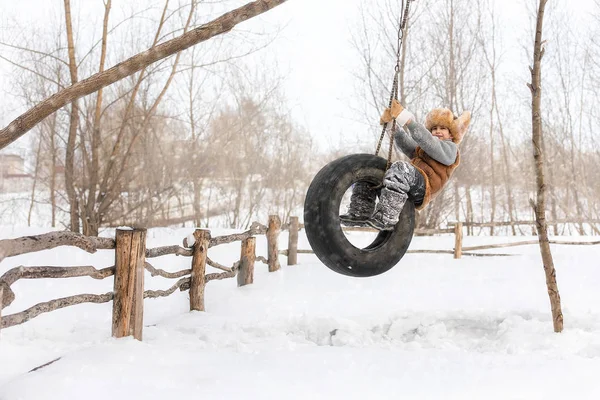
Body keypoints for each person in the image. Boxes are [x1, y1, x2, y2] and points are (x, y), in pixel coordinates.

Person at [340, 100, 471, 231]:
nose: (437, 131)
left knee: (401, 168)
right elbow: (406, 145)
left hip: (425, 187)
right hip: (410, 181)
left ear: (451, 134)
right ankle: (360, 210)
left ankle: (386, 217)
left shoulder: (450, 149)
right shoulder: (426, 149)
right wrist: (391, 126)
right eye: (434, 129)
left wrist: (406, 119)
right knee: (370, 172)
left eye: (443, 128)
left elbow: (430, 143)